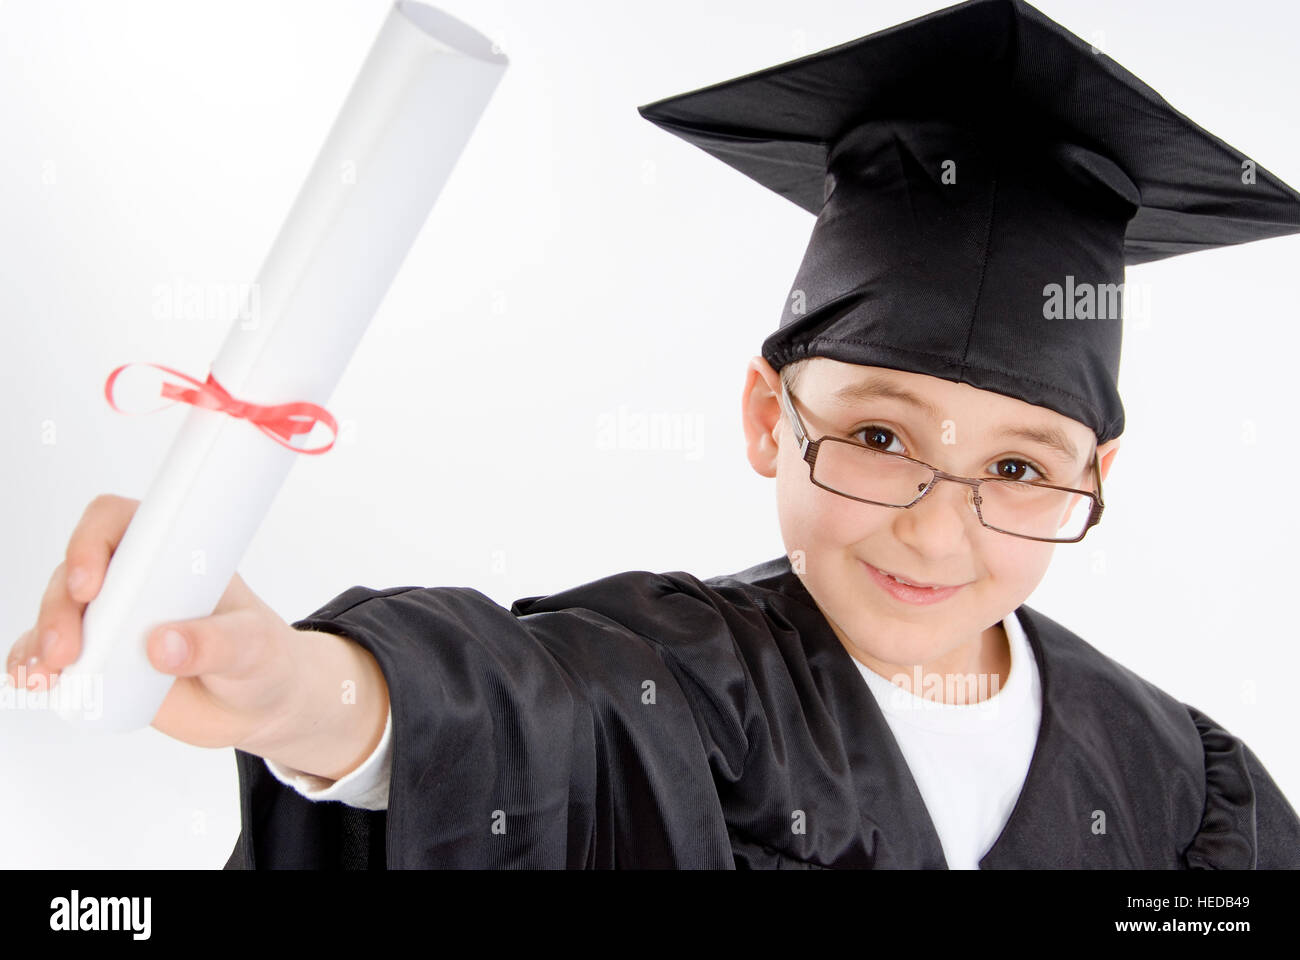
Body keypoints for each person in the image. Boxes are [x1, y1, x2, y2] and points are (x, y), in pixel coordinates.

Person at [12, 0, 1300, 868]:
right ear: (766, 417)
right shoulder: (680, 683)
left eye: (1018, 469)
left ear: (1096, 479)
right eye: (878, 438)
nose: (936, 523)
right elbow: (517, 713)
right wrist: (304, 695)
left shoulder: (1183, 780)